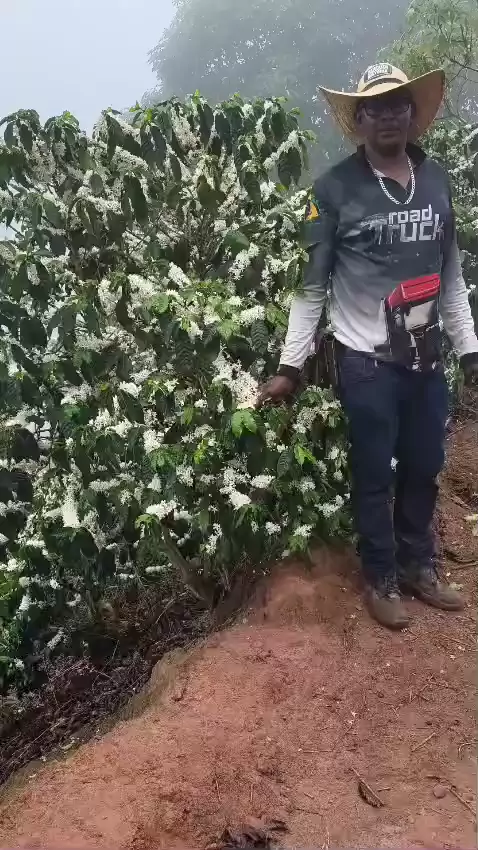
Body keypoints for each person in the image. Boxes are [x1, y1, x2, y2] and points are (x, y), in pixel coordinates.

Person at [258, 63, 478, 630]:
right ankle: (381, 577)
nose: (387, 117)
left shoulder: (436, 180)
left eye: (397, 105)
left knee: (425, 464)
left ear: (412, 113)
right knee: (375, 472)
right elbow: (311, 287)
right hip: (366, 361)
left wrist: (469, 348)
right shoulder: (333, 189)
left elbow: (451, 275)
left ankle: (418, 566)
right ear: (358, 120)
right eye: (374, 108)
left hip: (427, 357)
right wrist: (290, 365)